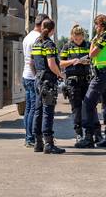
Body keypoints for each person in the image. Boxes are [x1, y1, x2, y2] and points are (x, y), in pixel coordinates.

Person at [75, 14, 106, 149]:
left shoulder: (105, 36)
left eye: (96, 25)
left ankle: (88, 136)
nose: (95, 28)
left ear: (100, 25)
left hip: (103, 74)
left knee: (88, 103)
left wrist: (93, 42)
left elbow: (93, 53)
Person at [31, 18, 66, 154]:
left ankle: (38, 143)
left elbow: (32, 63)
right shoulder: (49, 44)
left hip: (38, 79)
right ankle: (49, 144)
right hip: (47, 80)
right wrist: (60, 75)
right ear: (53, 30)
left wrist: (37, 76)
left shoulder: (36, 43)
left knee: (38, 111)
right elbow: (51, 64)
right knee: (48, 112)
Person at [59, 24, 94, 145]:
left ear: (83, 36)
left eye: (80, 38)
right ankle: (79, 134)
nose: (78, 41)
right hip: (72, 81)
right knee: (76, 109)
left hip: (86, 80)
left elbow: (94, 59)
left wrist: (87, 61)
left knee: (90, 107)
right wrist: (72, 61)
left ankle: (90, 133)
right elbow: (61, 63)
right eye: (76, 38)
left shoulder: (88, 45)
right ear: (72, 36)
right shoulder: (67, 46)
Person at [22, 13, 49, 147]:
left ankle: (28, 137)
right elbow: (36, 61)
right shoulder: (38, 39)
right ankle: (31, 138)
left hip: (26, 76)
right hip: (34, 77)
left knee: (29, 109)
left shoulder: (27, 37)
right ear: (42, 24)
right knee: (34, 108)